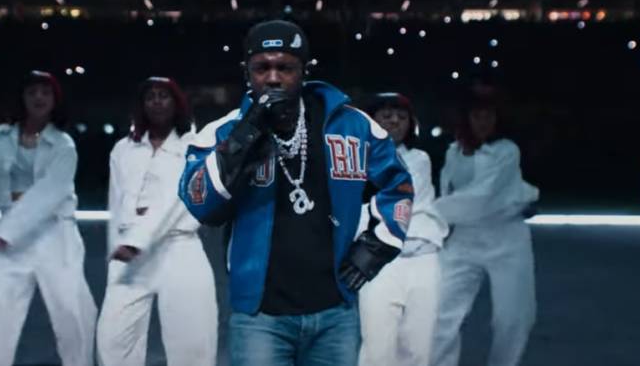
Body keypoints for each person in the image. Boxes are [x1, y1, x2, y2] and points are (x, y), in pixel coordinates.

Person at [178, 19, 415, 366]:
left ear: (304, 70)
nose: (273, 78)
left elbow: (399, 185)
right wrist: (245, 137)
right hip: (260, 318)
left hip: (334, 314)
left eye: (285, 67)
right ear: (247, 72)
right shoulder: (222, 131)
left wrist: (377, 246)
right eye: (262, 68)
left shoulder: (352, 125)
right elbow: (199, 203)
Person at [0, 70, 97, 366]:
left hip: (55, 233)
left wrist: (8, 229)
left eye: (45, 92)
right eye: (32, 92)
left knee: (72, 311)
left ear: (55, 100)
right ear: (22, 98)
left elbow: (51, 191)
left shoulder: (64, 144)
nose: (39, 98)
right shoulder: (0, 138)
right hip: (8, 237)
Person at [96, 77, 217, 366]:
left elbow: (177, 196)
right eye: (150, 97)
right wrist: (117, 250)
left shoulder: (194, 146)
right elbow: (116, 203)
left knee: (191, 345)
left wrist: (136, 240)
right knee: (113, 341)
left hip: (179, 247)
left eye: (164, 96)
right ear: (141, 105)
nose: (157, 102)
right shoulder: (123, 149)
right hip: (129, 254)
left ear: (177, 103)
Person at [430, 82, 539, 366]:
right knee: (440, 312)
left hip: (506, 239)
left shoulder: (507, 151)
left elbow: (483, 197)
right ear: (466, 118)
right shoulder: (454, 152)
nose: (483, 122)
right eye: (477, 115)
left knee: (512, 317)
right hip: (464, 241)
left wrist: (428, 212)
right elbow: (450, 193)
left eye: (488, 116)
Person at [357, 92, 449, 366]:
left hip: (422, 258)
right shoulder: (354, 160)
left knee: (418, 350)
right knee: (377, 351)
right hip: (378, 260)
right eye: (386, 116)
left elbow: (401, 203)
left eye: (402, 116)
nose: (395, 121)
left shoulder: (419, 159)